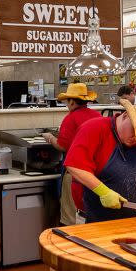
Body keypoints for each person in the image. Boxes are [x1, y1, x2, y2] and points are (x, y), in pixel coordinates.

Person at [43, 83, 102, 225]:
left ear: (72, 101)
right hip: (96, 173)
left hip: (75, 174)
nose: (66, 104)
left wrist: (50, 138)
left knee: (70, 218)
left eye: (67, 101)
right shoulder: (97, 116)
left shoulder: (70, 118)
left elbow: (62, 146)